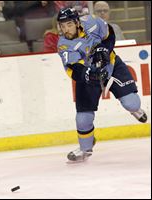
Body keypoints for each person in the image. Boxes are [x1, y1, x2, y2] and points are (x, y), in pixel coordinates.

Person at [56, 8, 147, 162]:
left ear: (77, 22)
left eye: (69, 24)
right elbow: (76, 69)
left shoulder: (92, 21)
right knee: (83, 120)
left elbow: (109, 33)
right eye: (62, 26)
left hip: (111, 65)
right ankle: (85, 149)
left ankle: (135, 110)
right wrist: (92, 74)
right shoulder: (64, 45)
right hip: (87, 77)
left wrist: (105, 48)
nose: (66, 30)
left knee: (131, 103)